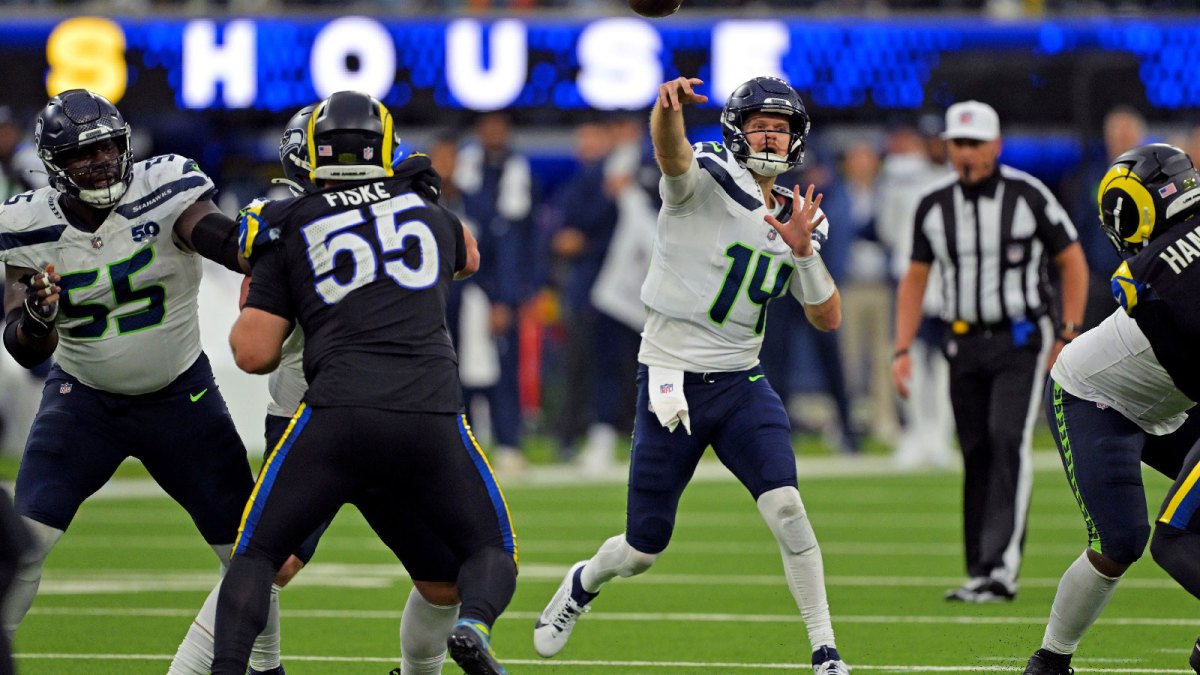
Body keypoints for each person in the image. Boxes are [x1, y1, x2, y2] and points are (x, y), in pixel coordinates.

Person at [531, 75, 850, 675]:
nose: (770, 136)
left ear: (796, 140)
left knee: (787, 507)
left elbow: (827, 317)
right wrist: (666, 111)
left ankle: (825, 649)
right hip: (670, 377)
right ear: (736, 130)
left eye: (780, 128)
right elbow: (670, 153)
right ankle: (583, 581)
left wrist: (804, 253)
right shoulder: (704, 178)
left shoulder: (801, 215)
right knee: (642, 549)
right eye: (760, 125)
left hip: (739, 382)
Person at [211, 90, 517, 675]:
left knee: (256, 557)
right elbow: (469, 258)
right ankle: (475, 626)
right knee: (485, 553)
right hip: (429, 415)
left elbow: (252, 355)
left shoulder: (287, 221)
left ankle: (228, 670)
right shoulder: (432, 213)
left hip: (334, 415)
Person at [0, 88, 287, 674]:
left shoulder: (166, 185)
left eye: (108, 147)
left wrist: (254, 242)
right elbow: (26, 349)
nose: (101, 162)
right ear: (55, 165)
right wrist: (37, 315)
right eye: (83, 155)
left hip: (182, 397)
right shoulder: (25, 223)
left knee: (247, 555)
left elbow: (214, 236)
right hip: (82, 402)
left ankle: (266, 667)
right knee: (23, 547)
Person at [892, 100, 1088, 603]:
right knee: (975, 449)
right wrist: (902, 348)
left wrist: (1067, 331)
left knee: (1007, 440)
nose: (966, 153)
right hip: (962, 340)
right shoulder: (934, 206)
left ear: (996, 146)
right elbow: (915, 279)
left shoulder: (1028, 195)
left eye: (975, 143)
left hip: (1020, 339)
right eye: (958, 143)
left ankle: (1002, 570)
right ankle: (980, 569)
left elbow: (1072, 260)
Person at [1022, 143, 1200, 675]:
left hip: (1173, 394)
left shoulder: (1151, 268)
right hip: (1098, 397)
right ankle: (1051, 661)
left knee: (1177, 535)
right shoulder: (1157, 273)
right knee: (1124, 540)